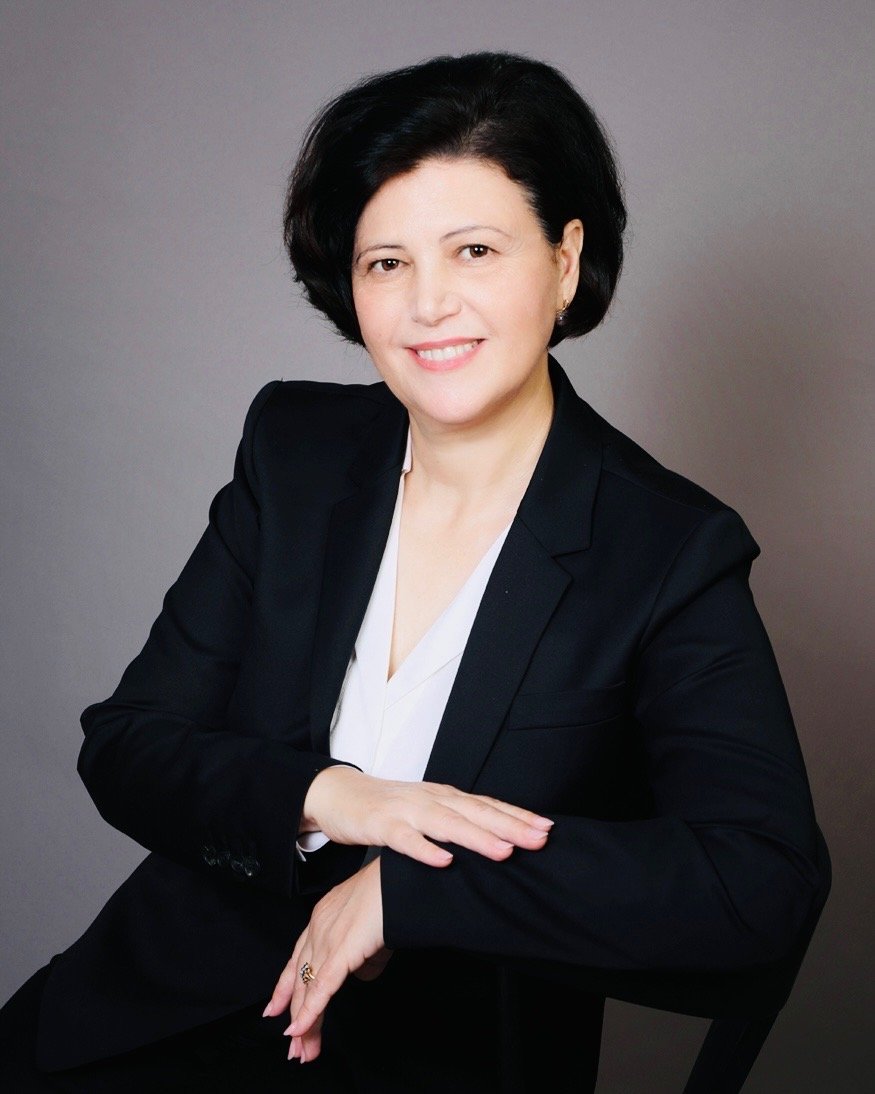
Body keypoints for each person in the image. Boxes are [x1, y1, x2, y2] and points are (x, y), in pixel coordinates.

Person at [0, 51, 829, 1092]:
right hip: (160, 1011)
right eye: (385, 262)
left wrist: (412, 889)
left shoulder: (666, 549)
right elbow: (127, 745)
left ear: (564, 261)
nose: (427, 304)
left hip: (431, 1055)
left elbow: (758, 884)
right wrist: (333, 797)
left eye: (473, 248)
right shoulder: (293, 451)